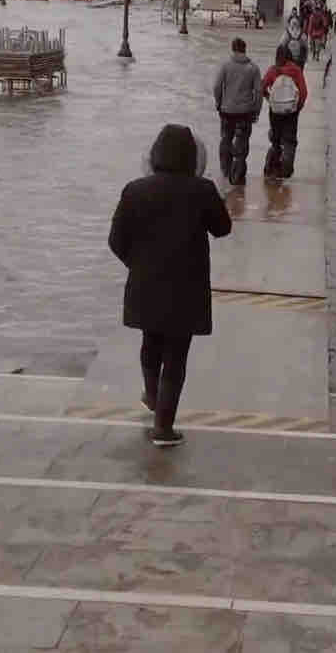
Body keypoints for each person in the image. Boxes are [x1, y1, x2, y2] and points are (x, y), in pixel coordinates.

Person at [109, 124, 232, 447]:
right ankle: (163, 428)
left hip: (145, 284)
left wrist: (137, 265)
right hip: (186, 287)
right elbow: (223, 228)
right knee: (176, 355)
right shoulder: (202, 190)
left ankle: (152, 396)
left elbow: (116, 240)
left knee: (150, 342)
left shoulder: (134, 190)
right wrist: (217, 197)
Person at [213, 38, 263, 186]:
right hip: (245, 112)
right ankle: (238, 173)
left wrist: (219, 102)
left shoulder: (225, 65)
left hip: (227, 111)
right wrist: (256, 110)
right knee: (242, 141)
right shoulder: (253, 68)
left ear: (232, 49)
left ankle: (225, 171)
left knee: (226, 138)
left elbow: (216, 86)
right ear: (245, 49)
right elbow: (259, 92)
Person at [261, 44, 309, 179]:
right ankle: (286, 169)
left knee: (276, 139)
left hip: (275, 112)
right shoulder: (296, 71)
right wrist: (297, 107)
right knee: (290, 141)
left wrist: (269, 99)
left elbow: (262, 87)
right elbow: (304, 92)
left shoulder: (273, 70)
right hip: (291, 112)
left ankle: (272, 166)